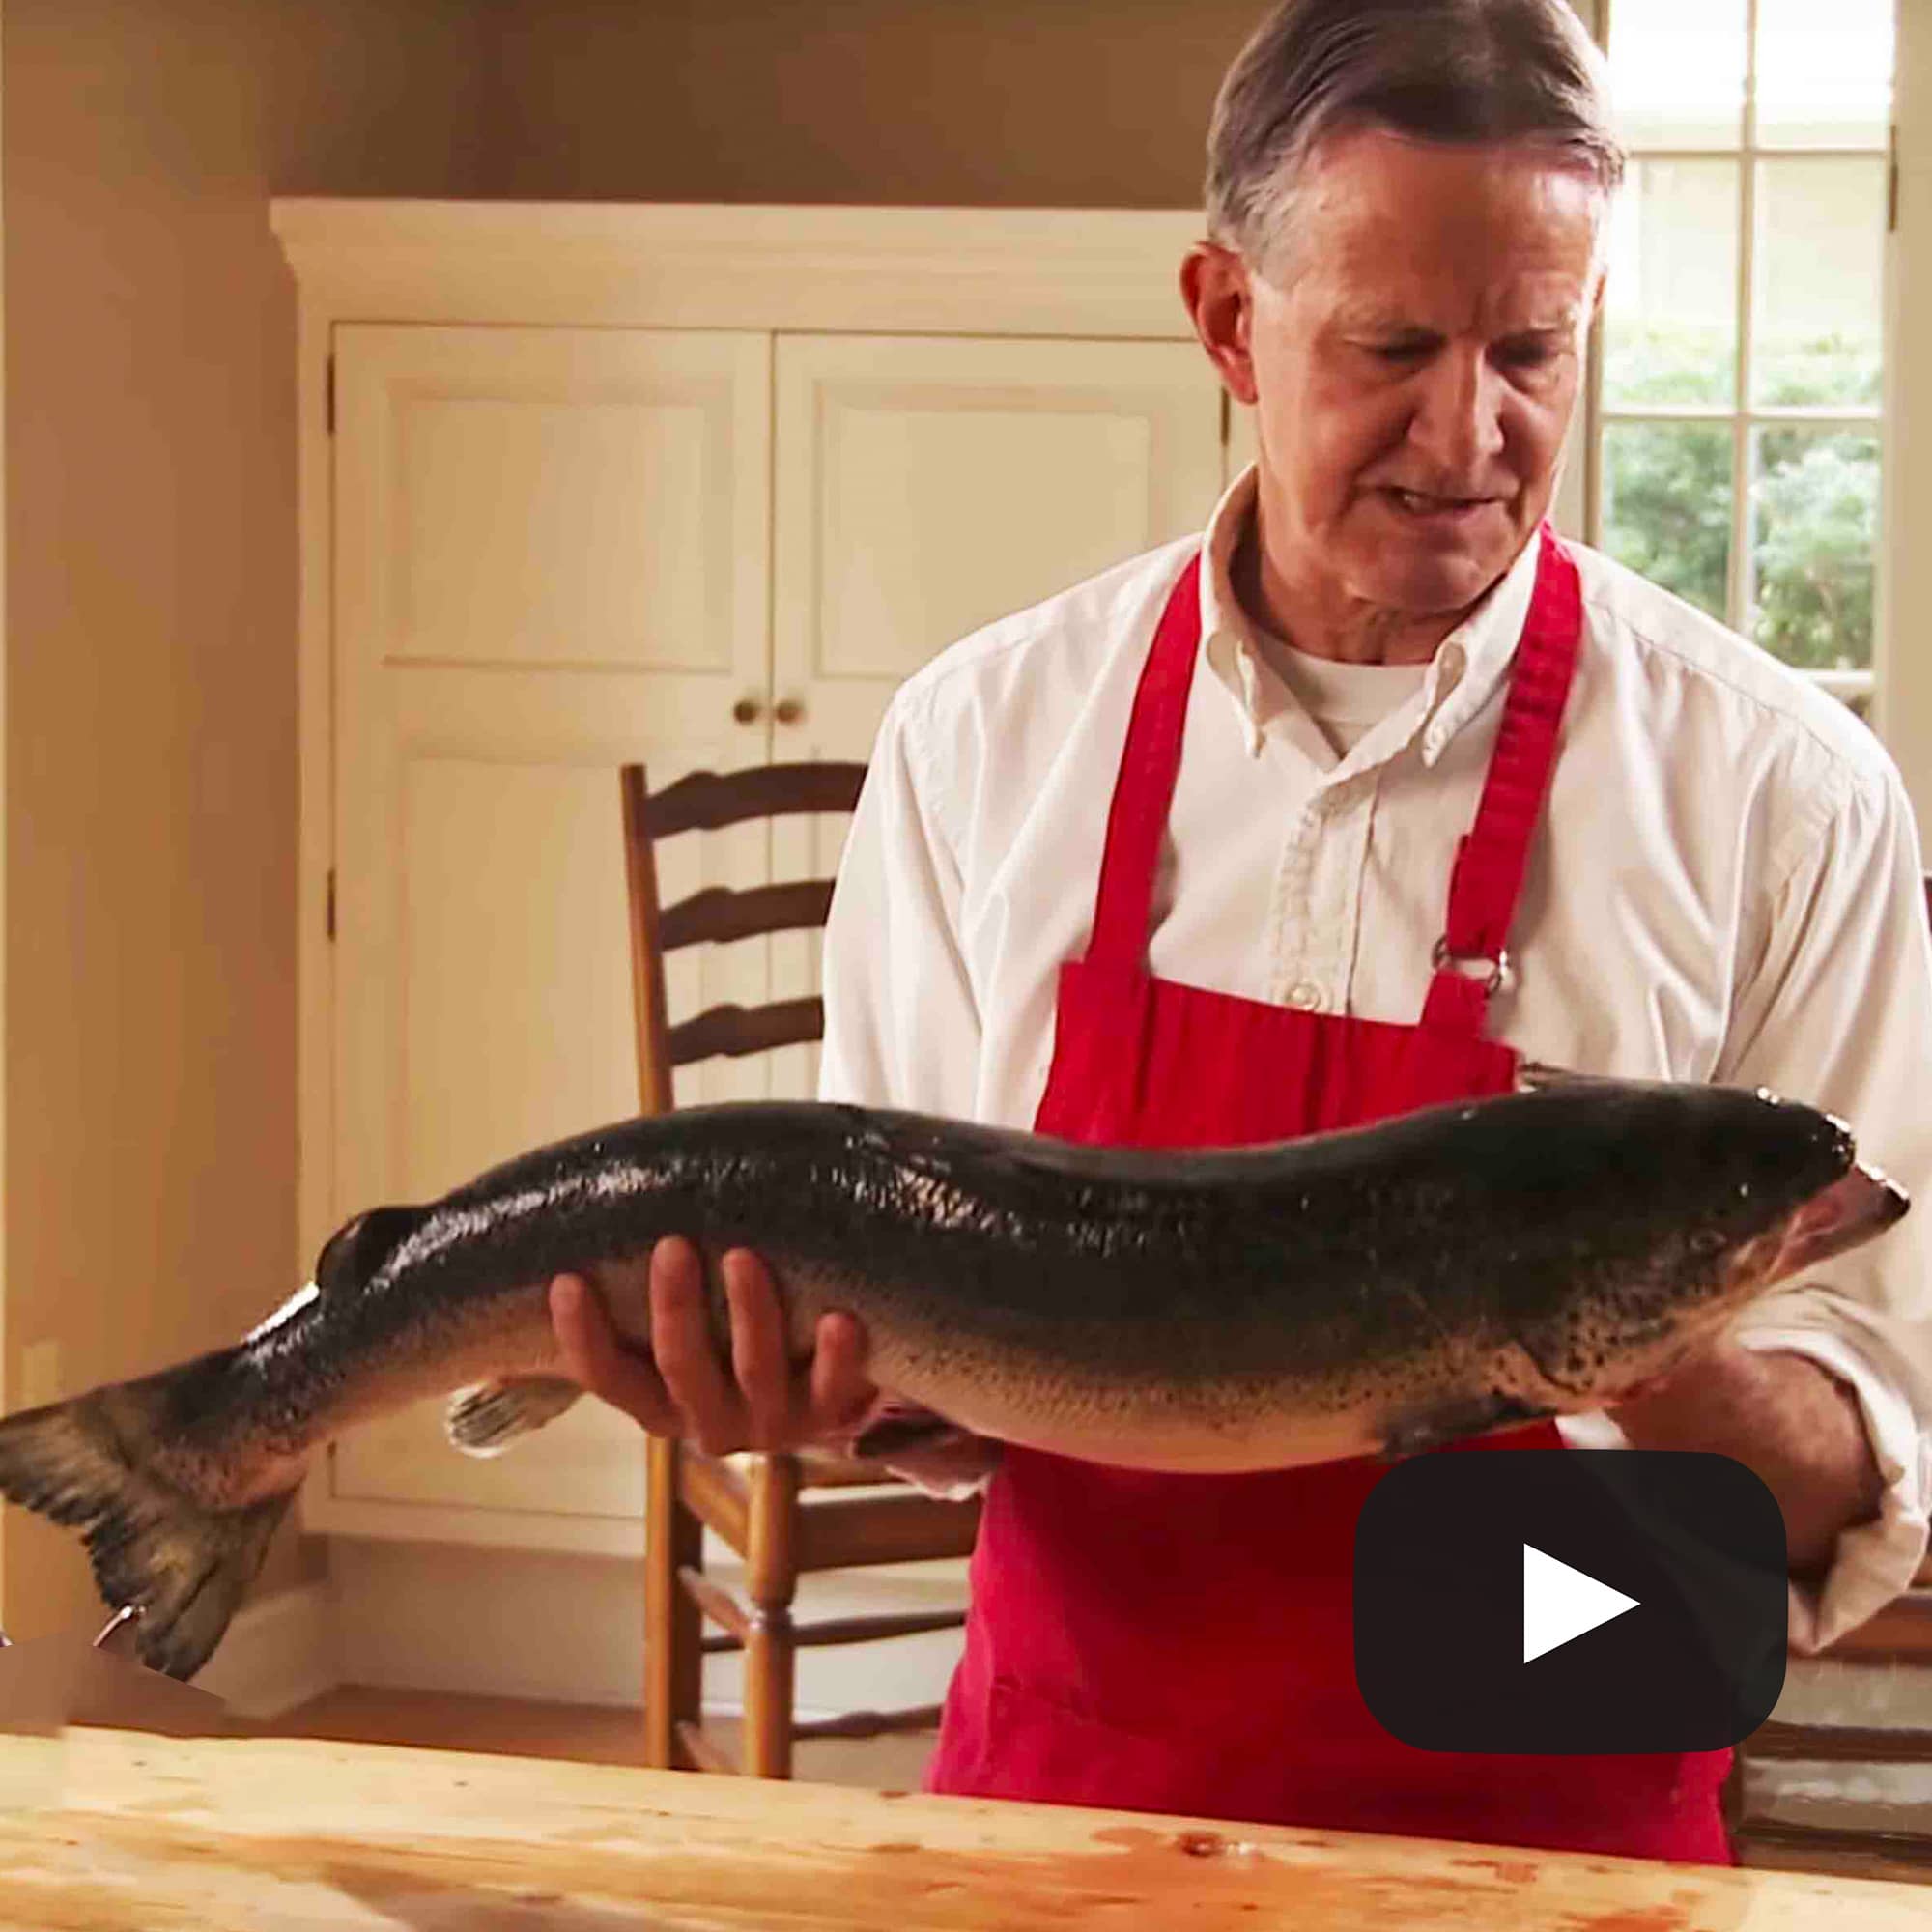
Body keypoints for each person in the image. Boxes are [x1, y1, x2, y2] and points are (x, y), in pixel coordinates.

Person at [550, 0, 1932, 1862]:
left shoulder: (1788, 796)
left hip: (1561, 1848)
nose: (1474, 430)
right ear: (1226, 320)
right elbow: (918, 1367)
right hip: (1067, 1821)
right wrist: (817, 1398)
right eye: (1393, 348)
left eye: (1537, 349)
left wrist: (1626, 1332)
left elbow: (1867, 1457)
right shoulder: (983, 743)